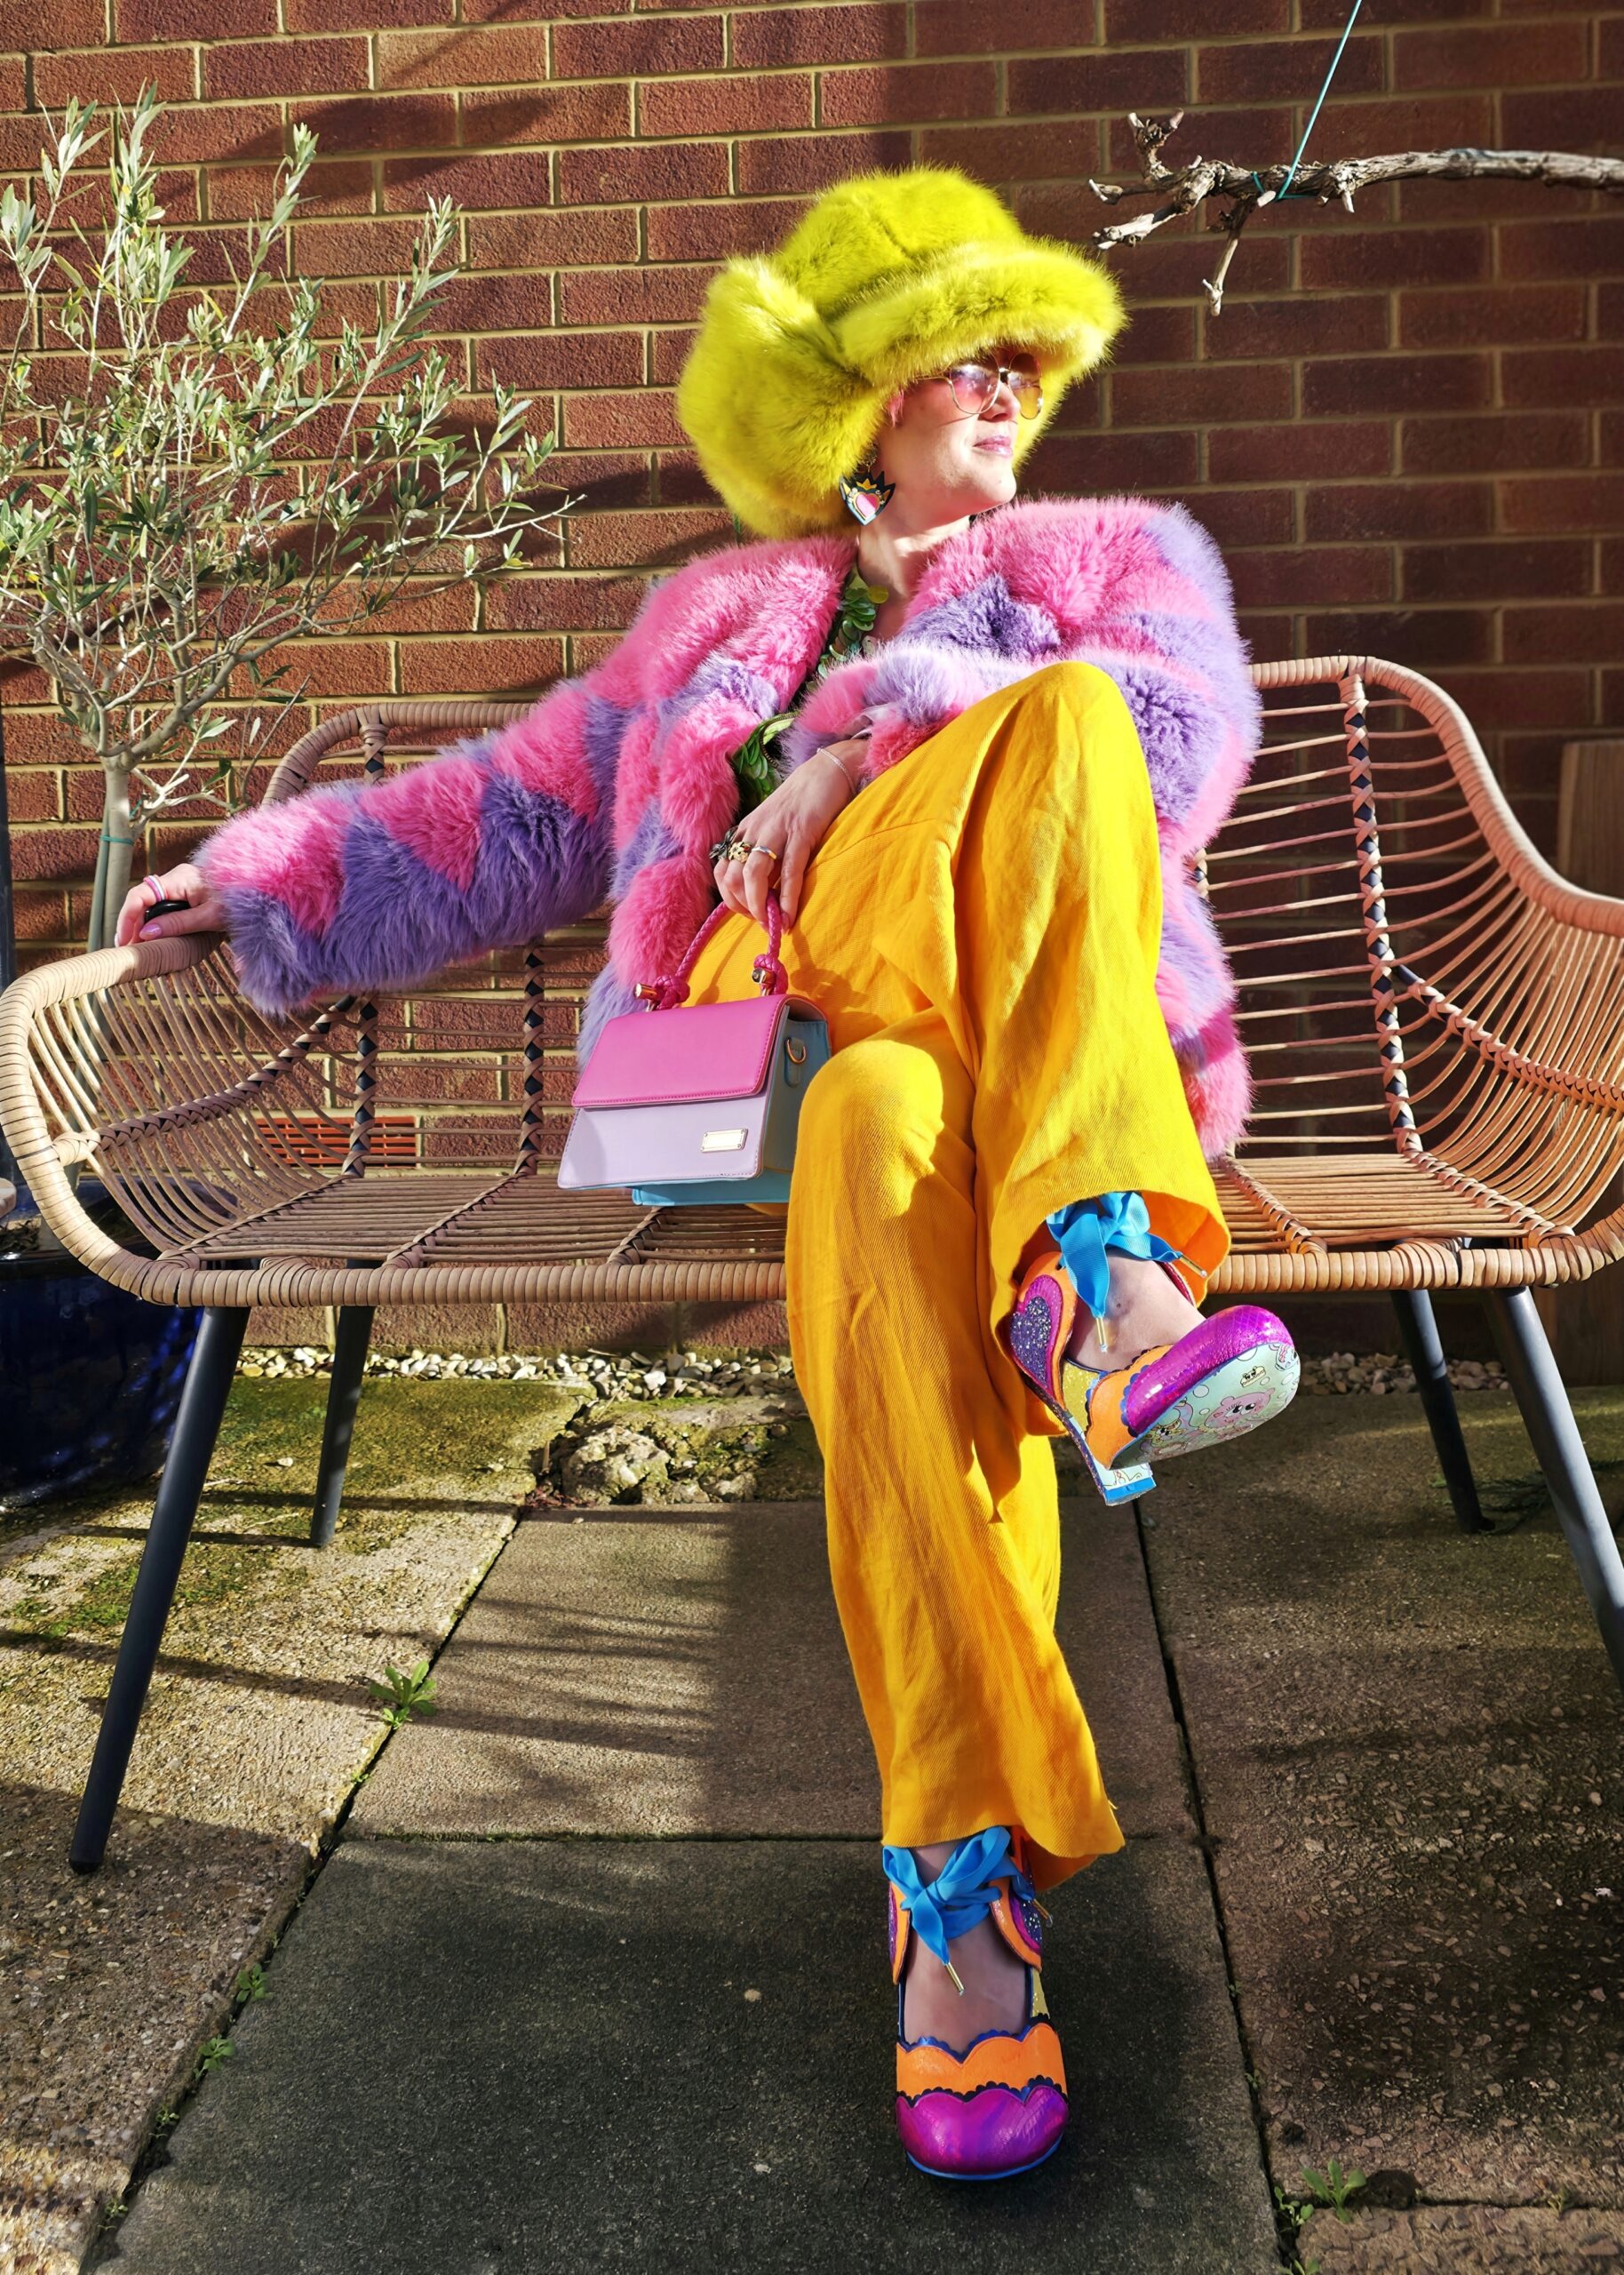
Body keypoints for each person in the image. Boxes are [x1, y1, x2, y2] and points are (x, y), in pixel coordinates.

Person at [116, 167, 1299, 2184]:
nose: (1008, 370)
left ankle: (952, 1885)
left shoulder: (1113, 553)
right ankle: (1103, 1280)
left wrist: (874, 736)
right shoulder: (710, 615)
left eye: (1022, 334)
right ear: (842, 395)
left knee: (1056, 765)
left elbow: (1173, 755)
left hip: (978, 1078)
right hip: (775, 1022)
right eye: (956, 338)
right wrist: (261, 885)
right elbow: (499, 814)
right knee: (858, 1070)